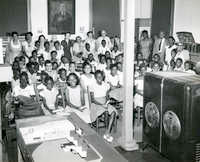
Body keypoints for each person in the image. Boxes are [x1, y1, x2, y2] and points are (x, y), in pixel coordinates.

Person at [90, 70, 117, 142]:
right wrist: (102, 105)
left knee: (113, 112)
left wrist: (107, 101)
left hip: (104, 102)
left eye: (101, 76)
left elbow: (107, 96)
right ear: (95, 77)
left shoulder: (105, 85)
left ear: (103, 77)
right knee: (104, 110)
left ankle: (107, 132)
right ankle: (106, 132)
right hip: (96, 103)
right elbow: (92, 99)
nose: (100, 78)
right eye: (98, 76)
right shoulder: (92, 85)